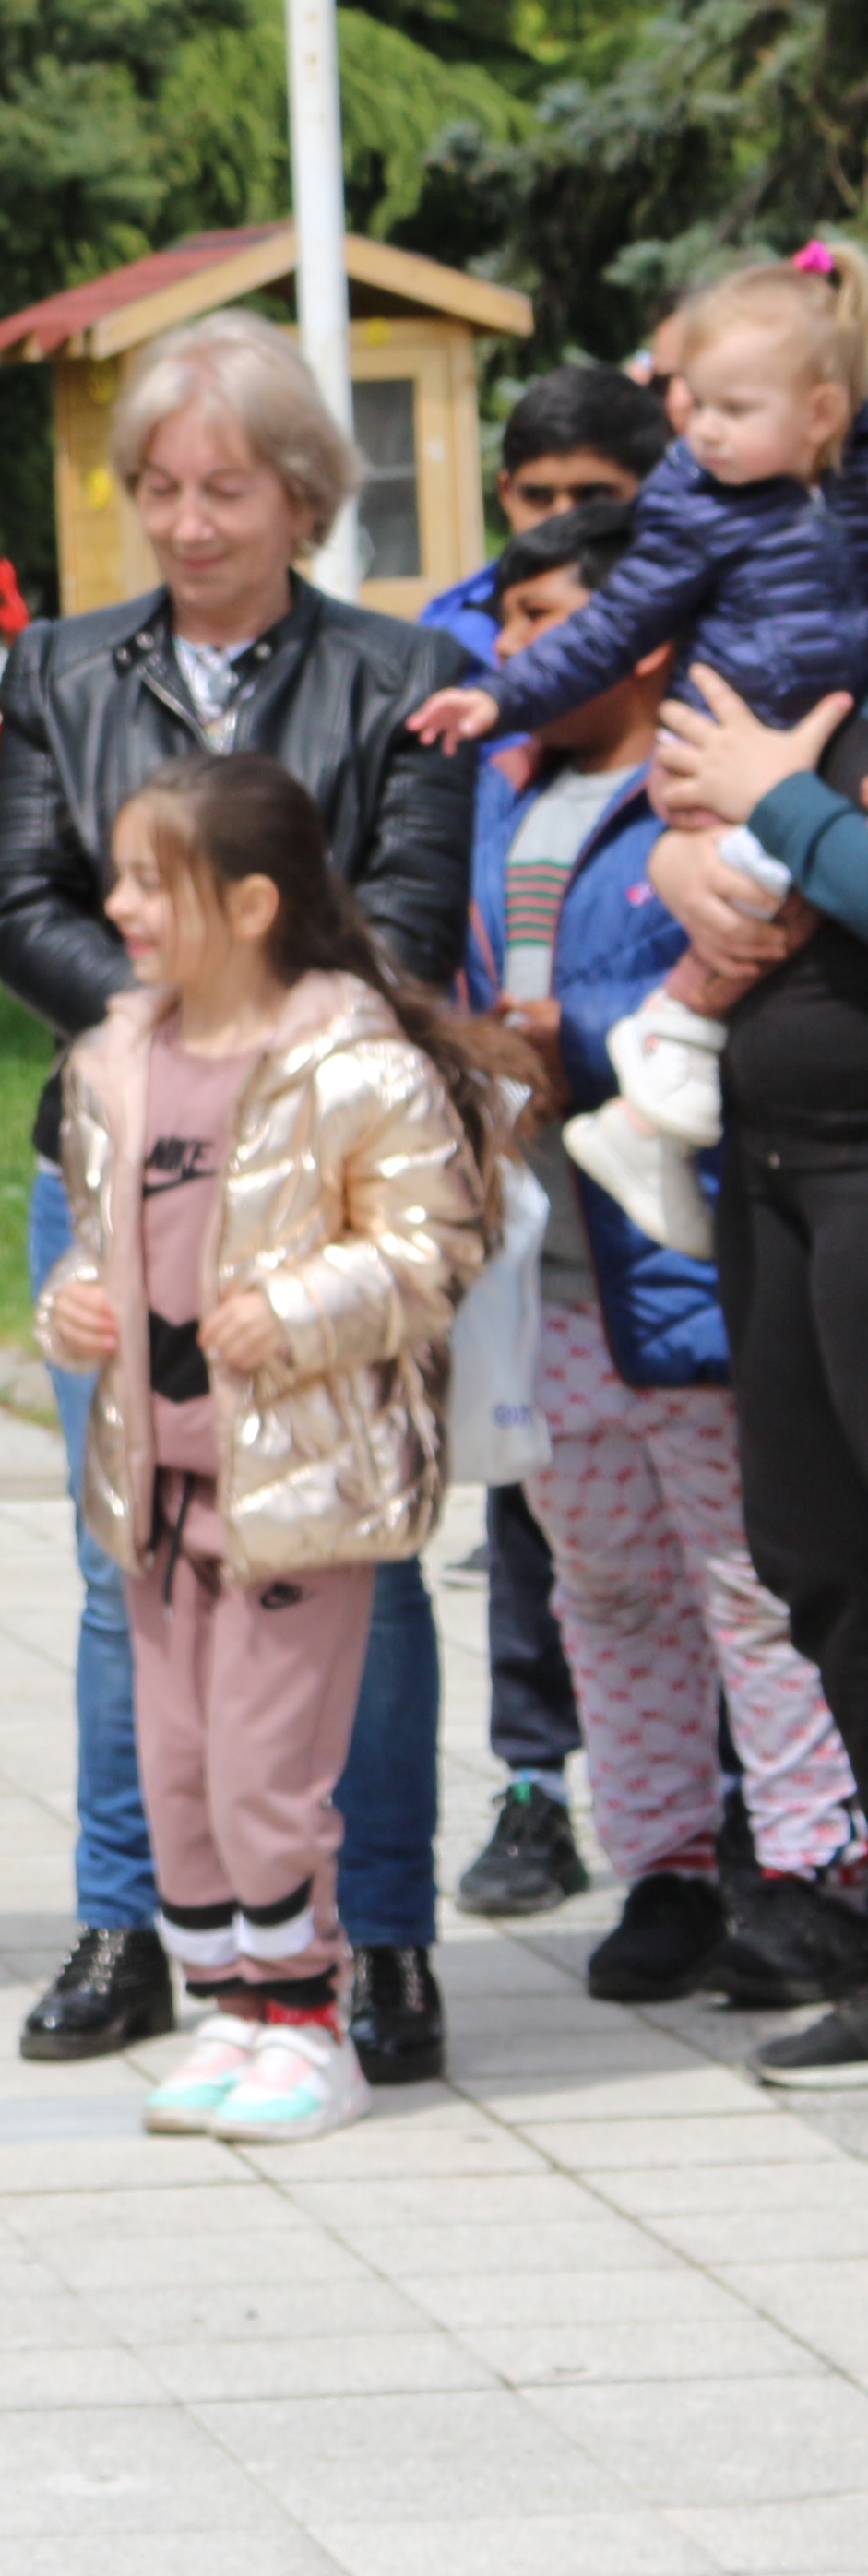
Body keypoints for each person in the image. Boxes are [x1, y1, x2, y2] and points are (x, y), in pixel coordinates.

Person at [0, 310, 477, 2078]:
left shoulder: (398, 673)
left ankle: (379, 1937)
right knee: (127, 1550)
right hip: (121, 1160)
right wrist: (157, 1025)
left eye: (226, 491)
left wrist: (251, 1039)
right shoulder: (57, 671)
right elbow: (18, 903)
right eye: (160, 491)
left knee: (350, 1557)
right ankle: (133, 1920)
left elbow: (404, 915)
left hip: (318, 1178)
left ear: (301, 498)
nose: (187, 525)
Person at [41, 754, 497, 2145]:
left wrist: (296, 1311)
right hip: (157, 1486)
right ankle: (232, 2010)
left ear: (249, 905)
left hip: (299, 1491)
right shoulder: (115, 1062)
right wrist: (73, 1308)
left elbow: (434, 1249)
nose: (119, 908)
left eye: (150, 882)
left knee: (263, 1768)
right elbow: (103, 1242)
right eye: (118, 879)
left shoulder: (353, 1066)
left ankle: (312, 2025)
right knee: (177, 1767)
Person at [467, 505, 868, 2012]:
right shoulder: (507, 788)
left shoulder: (703, 789)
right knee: (607, 1589)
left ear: (639, 642)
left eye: (543, 620)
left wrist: (566, 1040)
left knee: (752, 1584)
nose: (512, 652)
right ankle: (662, 1866)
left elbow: (743, 953)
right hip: (550, 1274)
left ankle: (811, 1866)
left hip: (681, 1269)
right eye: (505, 622)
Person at [418, 265, 868, 1245]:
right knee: (757, 895)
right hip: (731, 747)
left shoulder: (841, 484)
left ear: (821, 414)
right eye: (692, 404)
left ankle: (657, 1085)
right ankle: (665, 1060)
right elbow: (606, 627)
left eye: (734, 409)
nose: (702, 431)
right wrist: (501, 698)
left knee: (771, 898)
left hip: (797, 752)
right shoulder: (696, 506)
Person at [423, 369, 672, 1926]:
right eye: (535, 497)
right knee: (538, 1501)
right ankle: (539, 1781)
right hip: (526, 1195)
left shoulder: (702, 690)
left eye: (594, 497)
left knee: (714, 1543)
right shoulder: (473, 675)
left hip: (663, 1189)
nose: (561, 518)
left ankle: (751, 1839)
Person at [650, 659, 868, 2086]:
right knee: (821, 1565)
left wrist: (776, 804)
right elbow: (685, 805)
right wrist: (688, 860)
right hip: (778, 1171)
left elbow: (787, 808)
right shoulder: (826, 652)